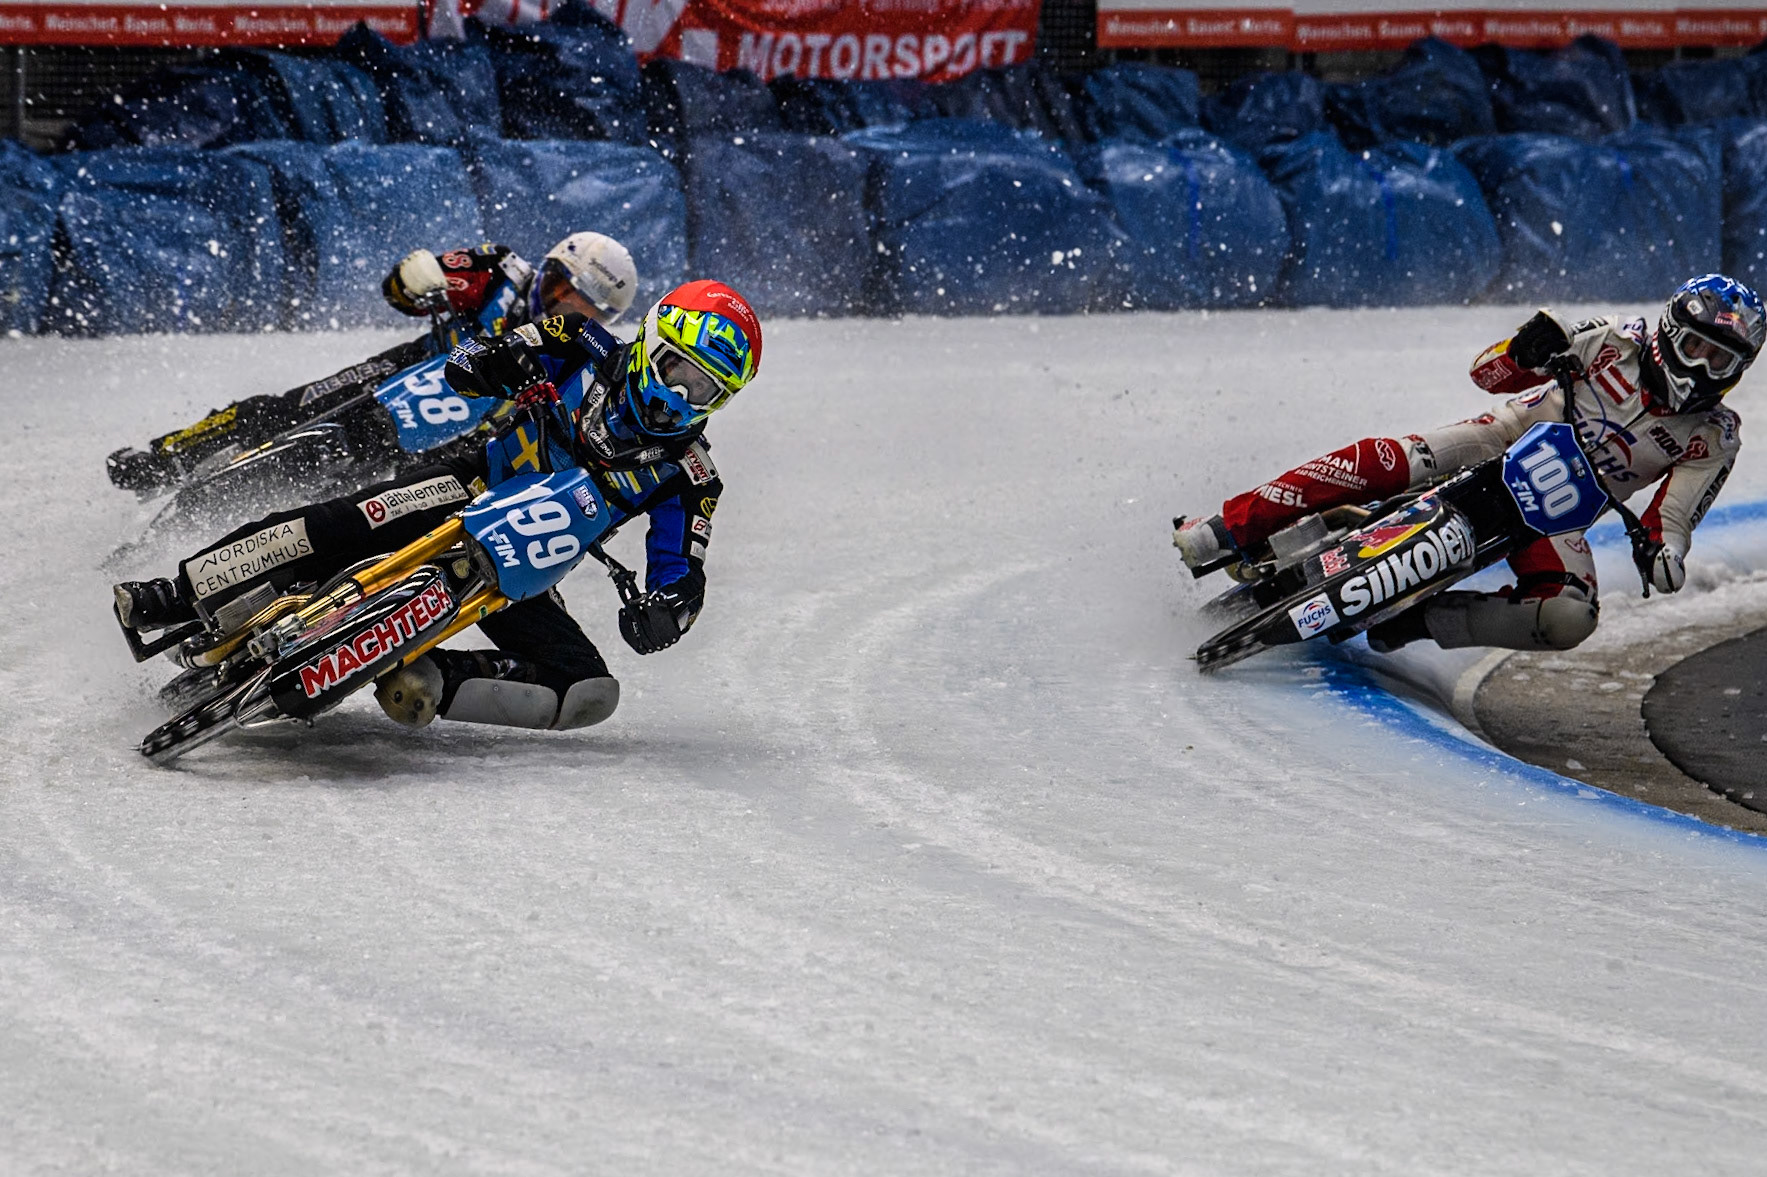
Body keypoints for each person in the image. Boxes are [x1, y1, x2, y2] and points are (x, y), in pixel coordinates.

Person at [112, 279, 761, 733]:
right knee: (351, 520)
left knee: (587, 690)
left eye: (705, 390)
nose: (680, 397)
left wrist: (666, 613)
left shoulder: (689, 476)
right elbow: (491, 352)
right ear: (653, 342)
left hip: (518, 562)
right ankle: (176, 591)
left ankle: (426, 673)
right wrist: (487, 365)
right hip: (469, 480)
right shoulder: (581, 340)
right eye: (678, 371)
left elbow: (683, 574)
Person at [1175, 274, 1765, 654]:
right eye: (1696, 348)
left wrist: (1664, 555)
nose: (1703, 369)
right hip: (1503, 438)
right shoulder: (1608, 339)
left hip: (1559, 518)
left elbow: (1675, 519)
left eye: (1722, 361)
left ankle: (1420, 623)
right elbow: (1486, 374)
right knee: (1387, 457)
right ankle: (1231, 527)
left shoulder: (1714, 435)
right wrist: (1523, 349)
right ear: (1668, 332)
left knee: (1569, 618)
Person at [105, 233, 640, 493]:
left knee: (348, 498)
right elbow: (403, 291)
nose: (563, 302)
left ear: (603, 315)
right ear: (547, 268)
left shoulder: (583, 360)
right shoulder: (499, 270)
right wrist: (416, 279)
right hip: (396, 379)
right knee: (282, 411)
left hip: (458, 440)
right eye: (560, 284)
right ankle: (165, 457)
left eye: (583, 303)